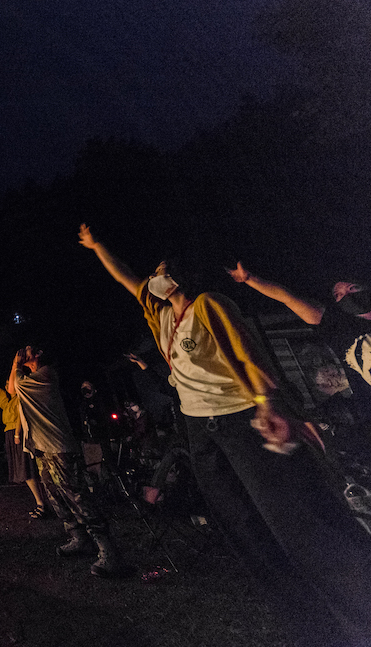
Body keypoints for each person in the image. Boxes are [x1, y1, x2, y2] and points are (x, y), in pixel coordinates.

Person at [79, 223, 371, 644]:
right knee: (242, 526)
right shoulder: (161, 315)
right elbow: (126, 277)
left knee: (293, 518)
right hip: (200, 428)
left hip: (241, 419)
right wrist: (97, 246)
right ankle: (302, 622)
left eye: (160, 271)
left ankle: (355, 612)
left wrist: (268, 404)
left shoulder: (209, 304)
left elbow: (247, 353)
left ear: (177, 276)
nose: (153, 277)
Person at [227, 262, 371, 465]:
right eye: (338, 295)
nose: (346, 295)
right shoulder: (338, 325)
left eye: (352, 288)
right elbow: (287, 298)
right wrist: (250, 279)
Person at [10, 346, 131, 578]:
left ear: (39, 353)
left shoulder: (46, 374)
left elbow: (14, 386)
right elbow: (12, 387)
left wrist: (16, 363)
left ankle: (109, 553)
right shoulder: (31, 379)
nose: (24, 351)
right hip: (42, 448)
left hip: (59, 447)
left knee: (78, 497)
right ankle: (79, 539)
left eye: (28, 349)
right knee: (56, 497)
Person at [0, 368, 50, 517]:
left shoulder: (20, 398)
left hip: (18, 434)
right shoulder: (5, 399)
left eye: (12, 383)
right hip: (9, 434)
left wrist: (17, 434)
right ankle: (42, 503)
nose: (9, 385)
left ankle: (42, 504)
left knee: (26, 469)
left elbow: (21, 417)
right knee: (24, 470)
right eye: (8, 383)